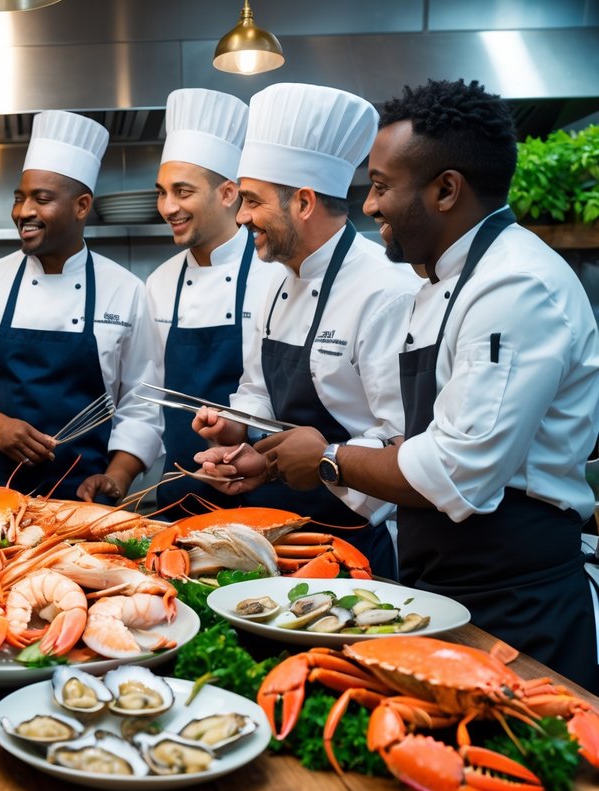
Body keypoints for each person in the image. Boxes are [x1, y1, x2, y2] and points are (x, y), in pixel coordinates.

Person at [256, 79, 599, 691]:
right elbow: (410, 436)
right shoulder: (439, 282)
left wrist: (331, 459)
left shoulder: (514, 286)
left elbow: (457, 470)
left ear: (446, 190)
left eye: (383, 187)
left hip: (515, 602)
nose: (369, 206)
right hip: (443, 583)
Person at [192, 83, 419, 581]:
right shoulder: (271, 280)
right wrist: (238, 431)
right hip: (283, 523)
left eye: (252, 200)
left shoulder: (386, 291)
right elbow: (256, 390)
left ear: (304, 202)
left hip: (358, 530)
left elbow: (403, 441)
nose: (241, 215)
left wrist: (321, 461)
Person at [0, 110, 163, 503]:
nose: (24, 211)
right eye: (19, 198)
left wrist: (118, 477)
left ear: (81, 206)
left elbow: (140, 402)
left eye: (41, 199)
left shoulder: (125, 290)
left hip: (90, 501)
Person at [145, 88, 285, 517]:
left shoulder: (276, 274)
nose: (168, 207)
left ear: (228, 194)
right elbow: (148, 398)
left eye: (182, 192)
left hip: (264, 498)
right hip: (180, 495)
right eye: (162, 192)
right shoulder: (158, 282)